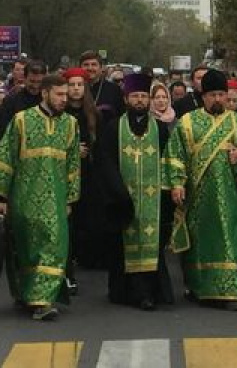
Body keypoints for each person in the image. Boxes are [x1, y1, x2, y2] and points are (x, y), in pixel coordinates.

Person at [164, 69, 237, 311]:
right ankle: (198, 288)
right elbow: (175, 156)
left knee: (230, 239)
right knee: (200, 244)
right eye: (212, 95)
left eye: (221, 94)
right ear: (202, 96)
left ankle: (230, 292)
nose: (218, 99)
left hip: (230, 197)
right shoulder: (187, 122)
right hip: (198, 197)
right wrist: (176, 184)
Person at [0, 74, 81, 320]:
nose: (63, 99)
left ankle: (43, 301)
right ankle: (27, 295)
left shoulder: (70, 124)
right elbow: (5, 158)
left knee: (55, 246)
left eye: (66, 94)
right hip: (23, 199)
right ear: (45, 93)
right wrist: (1, 196)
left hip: (56, 201)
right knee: (23, 249)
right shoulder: (22, 121)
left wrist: (70, 198)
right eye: (59, 94)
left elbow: (73, 164)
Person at [98, 73, 174, 310]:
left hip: (154, 200)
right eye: (135, 96)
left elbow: (169, 159)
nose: (140, 100)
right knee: (123, 246)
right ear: (126, 98)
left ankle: (150, 292)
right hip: (124, 199)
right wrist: (118, 192)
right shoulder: (113, 128)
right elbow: (105, 161)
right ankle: (126, 292)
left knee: (153, 245)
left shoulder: (160, 129)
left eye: (143, 96)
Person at [62, 67, 103, 292]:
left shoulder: (93, 114)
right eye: (72, 85)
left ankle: (86, 257)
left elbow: (101, 144)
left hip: (88, 175)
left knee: (86, 220)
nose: (76, 89)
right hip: (65, 175)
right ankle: (67, 271)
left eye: (80, 85)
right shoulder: (62, 114)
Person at [0, 59, 46, 139]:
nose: (35, 86)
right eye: (32, 81)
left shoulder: (49, 101)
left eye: (39, 82)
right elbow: (4, 130)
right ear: (24, 78)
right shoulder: (11, 101)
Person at [80, 51, 124, 123]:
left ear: (101, 68)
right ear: (80, 68)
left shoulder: (114, 89)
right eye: (86, 65)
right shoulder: (75, 88)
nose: (90, 68)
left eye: (94, 64)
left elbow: (121, 116)